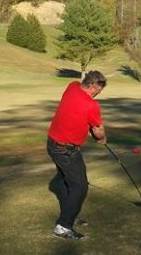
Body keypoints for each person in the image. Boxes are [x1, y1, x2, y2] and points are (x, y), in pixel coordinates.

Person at [47, 70, 108, 240]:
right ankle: (63, 226)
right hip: (65, 150)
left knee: (69, 182)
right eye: (98, 90)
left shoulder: (72, 86)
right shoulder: (91, 105)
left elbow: (73, 112)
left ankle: (70, 215)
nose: (98, 93)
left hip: (52, 144)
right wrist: (102, 138)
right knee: (80, 186)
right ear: (92, 86)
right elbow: (98, 131)